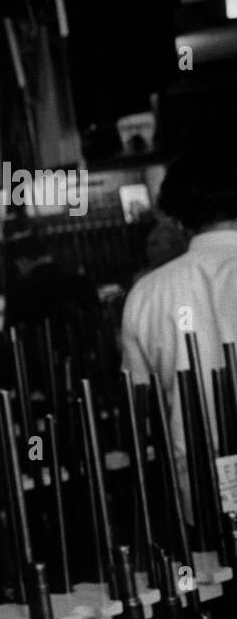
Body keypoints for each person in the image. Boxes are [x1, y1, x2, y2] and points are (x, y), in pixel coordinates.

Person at [121, 148, 237, 515]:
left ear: (178, 216)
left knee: (207, 573)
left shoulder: (146, 294)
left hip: (201, 500)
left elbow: (138, 405)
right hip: (198, 492)